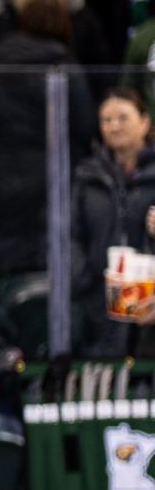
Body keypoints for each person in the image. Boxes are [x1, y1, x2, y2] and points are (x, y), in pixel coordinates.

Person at [0, 0, 97, 301]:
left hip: (7, 172)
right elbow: (86, 123)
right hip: (59, 173)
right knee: (57, 258)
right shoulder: (64, 66)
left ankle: (13, 327)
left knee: (10, 262)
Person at [73, 88, 155, 356]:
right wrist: (85, 282)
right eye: (106, 120)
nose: (113, 126)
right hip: (100, 311)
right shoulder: (87, 176)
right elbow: (68, 235)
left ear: (145, 122)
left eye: (122, 117)